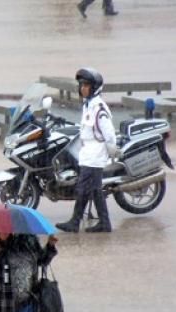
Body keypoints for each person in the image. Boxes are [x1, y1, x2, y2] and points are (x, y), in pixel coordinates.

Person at [56, 68, 117, 233]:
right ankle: (104, 223)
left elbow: (109, 135)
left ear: (94, 87)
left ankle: (75, 222)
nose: (82, 88)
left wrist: (111, 152)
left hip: (95, 154)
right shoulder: (88, 105)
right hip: (87, 152)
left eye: (86, 85)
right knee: (95, 189)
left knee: (83, 188)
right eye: (81, 85)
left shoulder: (99, 109)